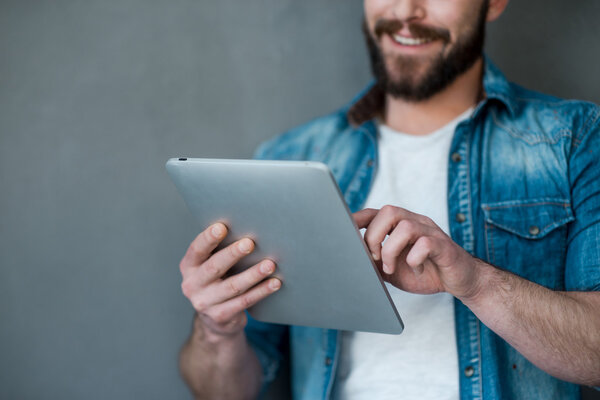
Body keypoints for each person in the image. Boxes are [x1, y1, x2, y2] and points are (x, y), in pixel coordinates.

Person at [177, 0, 600, 398]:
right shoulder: (286, 158)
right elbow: (222, 390)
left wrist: (474, 281)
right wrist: (216, 330)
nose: (404, 11)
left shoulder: (577, 138)